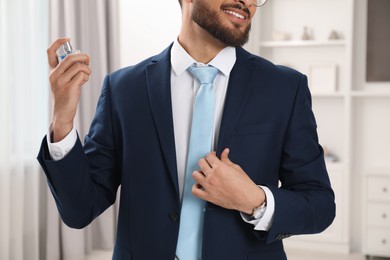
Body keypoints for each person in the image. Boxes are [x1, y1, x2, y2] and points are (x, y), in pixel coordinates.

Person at [37, 0, 336, 259]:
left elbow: (320, 205)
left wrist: (254, 201)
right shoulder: (124, 89)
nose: (246, 2)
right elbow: (79, 210)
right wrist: (63, 120)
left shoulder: (284, 88)